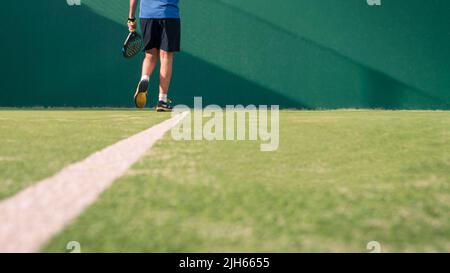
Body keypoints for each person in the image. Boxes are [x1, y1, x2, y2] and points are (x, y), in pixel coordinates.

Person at [128, 0, 181, 112]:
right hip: (169, 14)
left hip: (147, 15)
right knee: (166, 57)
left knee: (150, 55)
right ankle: (162, 100)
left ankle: (145, 78)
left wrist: (131, 17)